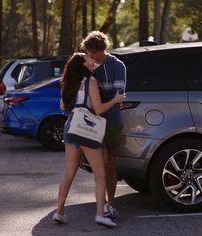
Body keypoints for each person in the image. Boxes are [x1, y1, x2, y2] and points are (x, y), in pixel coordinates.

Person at [53, 53, 124, 227]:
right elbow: (99, 110)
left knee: (69, 173)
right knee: (100, 175)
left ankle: (59, 212)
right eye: (89, 59)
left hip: (71, 126)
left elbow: (63, 106)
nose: (93, 61)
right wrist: (115, 99)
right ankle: (101, 215)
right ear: (83, 64)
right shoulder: (90, 82)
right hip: (86, 129)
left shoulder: (68, 82)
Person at [81, 31, 126, 220]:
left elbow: (118, 95)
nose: (91, 56)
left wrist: (98, 101)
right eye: (88, 52)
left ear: (102, 50)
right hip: (92, 122)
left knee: (111, 163)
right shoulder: (87, 65)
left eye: (94, 52)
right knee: (101, 165)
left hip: (112, 121)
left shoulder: (117, 66)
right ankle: (102, 203)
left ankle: (111, 203)